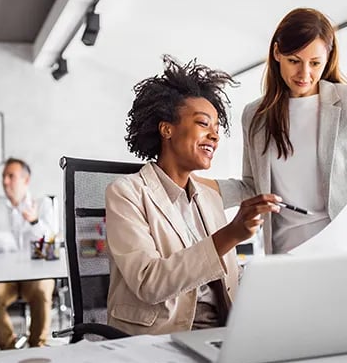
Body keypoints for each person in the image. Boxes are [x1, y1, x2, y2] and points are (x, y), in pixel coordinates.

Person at [197, 8, 347, 307]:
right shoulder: (255, 115)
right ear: (277, 53)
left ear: (328, 58)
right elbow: (253, 186)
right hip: (288, 264)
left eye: (315, 63)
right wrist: (191, 184)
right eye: (294, 61)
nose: (304, 74)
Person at [105, 56, 280, 336]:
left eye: (217, 129)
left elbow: (224, 279)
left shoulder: (209, 198)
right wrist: (231, 234)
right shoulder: (126, 194)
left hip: (222, 331)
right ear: (167, 129)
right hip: (163, 337)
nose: (214, 136)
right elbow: (150, 283)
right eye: (203, 124)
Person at [0, 157, 57, 349]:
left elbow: (51, 239)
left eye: (10, 176)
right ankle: (8, 348)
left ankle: (38, 346)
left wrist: (35, 221)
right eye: (4, 176)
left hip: (36, 274)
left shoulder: (43, 204)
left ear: (26, 180)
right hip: (4, 276)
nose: (5, 181)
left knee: (43, 288)